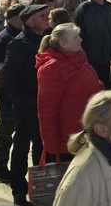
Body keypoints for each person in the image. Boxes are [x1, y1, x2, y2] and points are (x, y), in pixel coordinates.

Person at [0, 3, 51, 204]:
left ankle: (40, 186)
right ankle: (18, 188)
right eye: (42, 16)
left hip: (43, 101)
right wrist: (23, 100)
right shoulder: (19, 44)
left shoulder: (47, 39)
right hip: (27, 104)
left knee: (41, 143)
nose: (47, 18)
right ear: (29, 21)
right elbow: (9, 78)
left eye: (47, 15)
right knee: (22, 145)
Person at [36, 23, 104, 162]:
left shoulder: (78, 56)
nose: (80, 39)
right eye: (75, 37)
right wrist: (51, 148)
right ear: (63, 43)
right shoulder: (51, 68)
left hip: (87, 128)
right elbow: (47, 111)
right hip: (71, 138)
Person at [0, 3, 25, 183]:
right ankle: (0, 166)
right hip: (7, 91)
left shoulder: (18, 35)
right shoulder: (4, 38)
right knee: (6, 127)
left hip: (17, 90)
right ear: (13, 18)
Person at [73, 0, 111, 87]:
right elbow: (77, 30)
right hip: (91, 53)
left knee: (105, 81)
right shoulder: (84, 8)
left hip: (106, 52)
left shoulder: (110, 7)